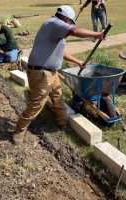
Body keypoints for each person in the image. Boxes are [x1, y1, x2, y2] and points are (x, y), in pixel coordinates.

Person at [13, 5, 104, 145]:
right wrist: (97, 34)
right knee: (38, 103)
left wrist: (77, 61)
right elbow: (76, 31)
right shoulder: (54, 23)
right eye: (70, 22)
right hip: (40, 72)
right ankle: (19, 129)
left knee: (57, 96)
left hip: (50, 71)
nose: (70, 25)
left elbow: (60, 51)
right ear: (67, 19)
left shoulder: (56, 29)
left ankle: (62, 122)